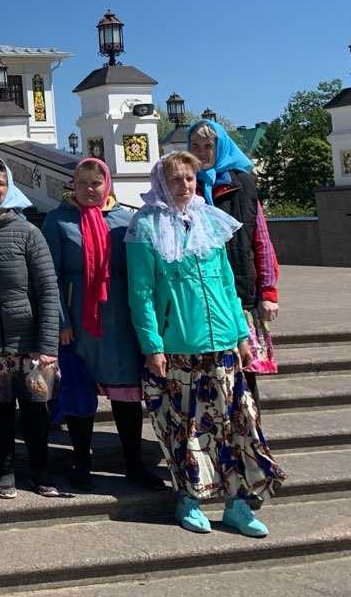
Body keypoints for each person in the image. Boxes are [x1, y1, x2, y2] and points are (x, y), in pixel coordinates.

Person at [125, 153, 286, 535]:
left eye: (190, 178)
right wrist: (152, 345)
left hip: (224, 345)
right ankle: (189, 499)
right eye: (177, 178)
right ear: (163, 182)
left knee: (238, 425)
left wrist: (242, 336)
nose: (185, 185)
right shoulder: (146, 225)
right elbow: (142, 293)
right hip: (180, 346)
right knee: (186, 428)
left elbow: (227, 285)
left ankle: (237, 504)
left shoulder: (208, 219)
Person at [43, 157, 163, 492]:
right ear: (73, 186)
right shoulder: (58, 220)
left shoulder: (125, 220)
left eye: (95, 183)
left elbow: (141, 271)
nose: (89, 190)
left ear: (106, 184)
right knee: (80, 394)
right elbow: (50, 275)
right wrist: (60, 321)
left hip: (120, 319)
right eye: (82, 184)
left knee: (126, 394)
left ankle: (134, 463)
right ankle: (82, 461)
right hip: (79, 318)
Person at [0, 158, 63, 498]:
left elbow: (48, 290)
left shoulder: (28, 232)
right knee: (1, 410)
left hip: (30, 340)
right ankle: (5, 471)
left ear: (9, 189)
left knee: (37, 410)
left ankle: (40, 471)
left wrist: (48, 344)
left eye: (0, 184)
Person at [187, 119, 280, 402]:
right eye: (195, 146)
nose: (202, 152)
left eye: (208, 146)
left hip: (240, 294)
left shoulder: (243, 183)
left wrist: (268, 292)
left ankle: (248, 436)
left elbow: (261, 241)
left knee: (245, 368)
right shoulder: (184, 184)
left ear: (221, 146)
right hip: (198, 296)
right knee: (206, 373)